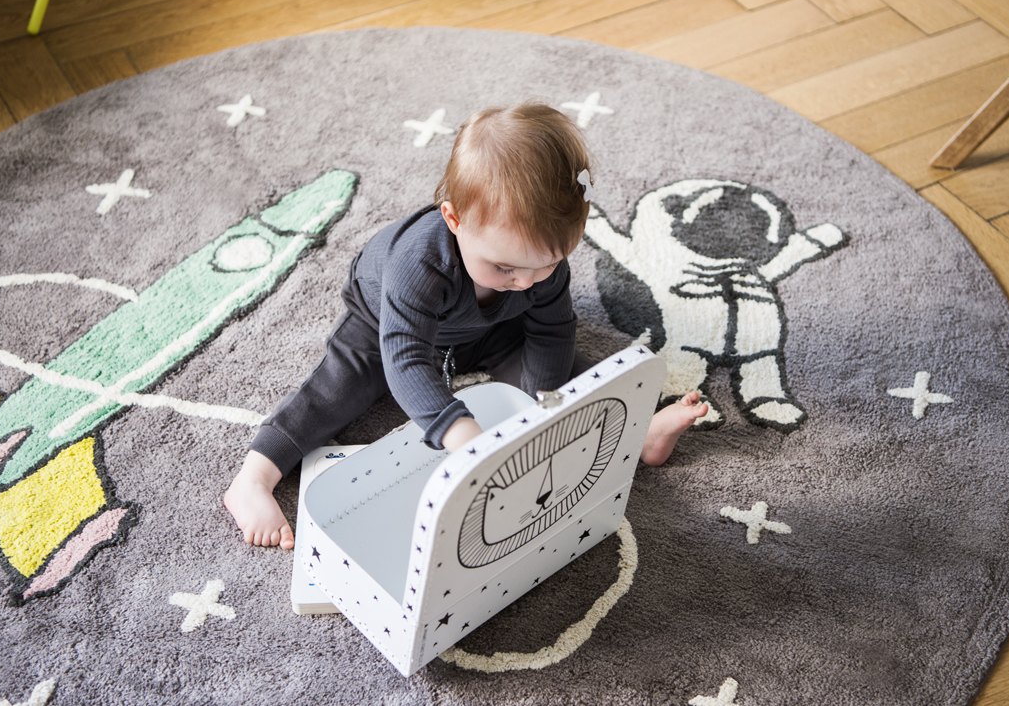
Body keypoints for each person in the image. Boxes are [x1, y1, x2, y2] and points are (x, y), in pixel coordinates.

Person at [224, 104, 708, 549]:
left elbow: (552, 331)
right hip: (386, 327)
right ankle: (254, 477)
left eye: (545, 266)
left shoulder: (537, 269)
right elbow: (408, 358)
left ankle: (637, 432)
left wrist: (541, 406)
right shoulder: (418, 264)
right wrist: (461, 434)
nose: (525, 281)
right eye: (504, 268)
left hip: (490, 328)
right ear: (453, 220)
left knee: (569, 375)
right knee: (340, 384)